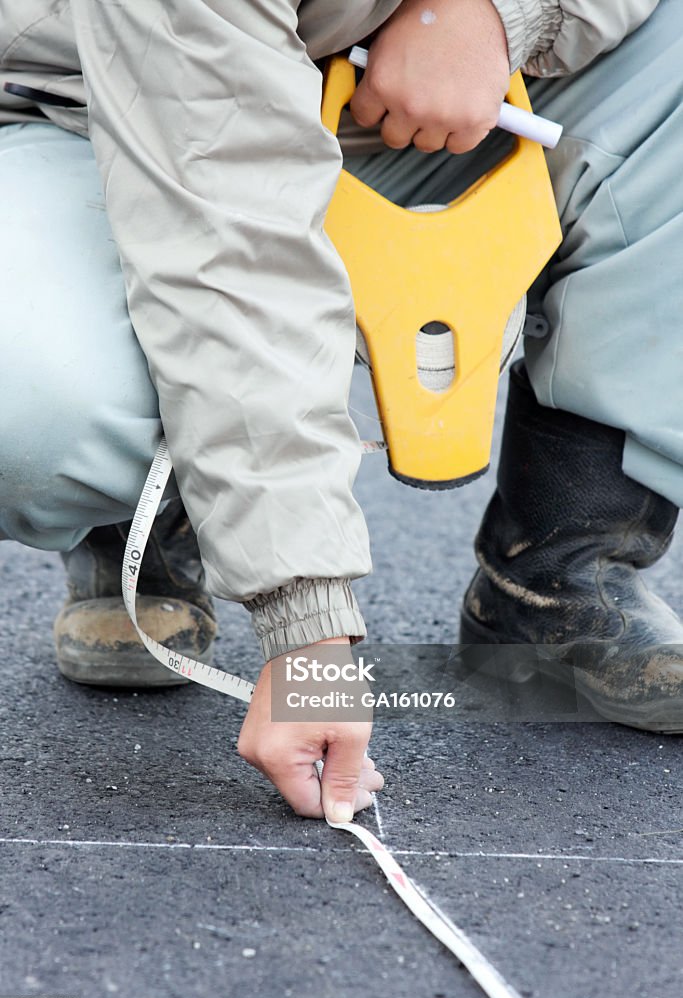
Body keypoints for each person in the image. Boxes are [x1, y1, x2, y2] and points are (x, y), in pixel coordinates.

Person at [0, 0, 680, 823]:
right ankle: (155, 518)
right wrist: (308, 635)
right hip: (120, 115)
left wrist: (497, 17)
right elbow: (230, 248)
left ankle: (558, 574)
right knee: (34, 404)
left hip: (425, 85)